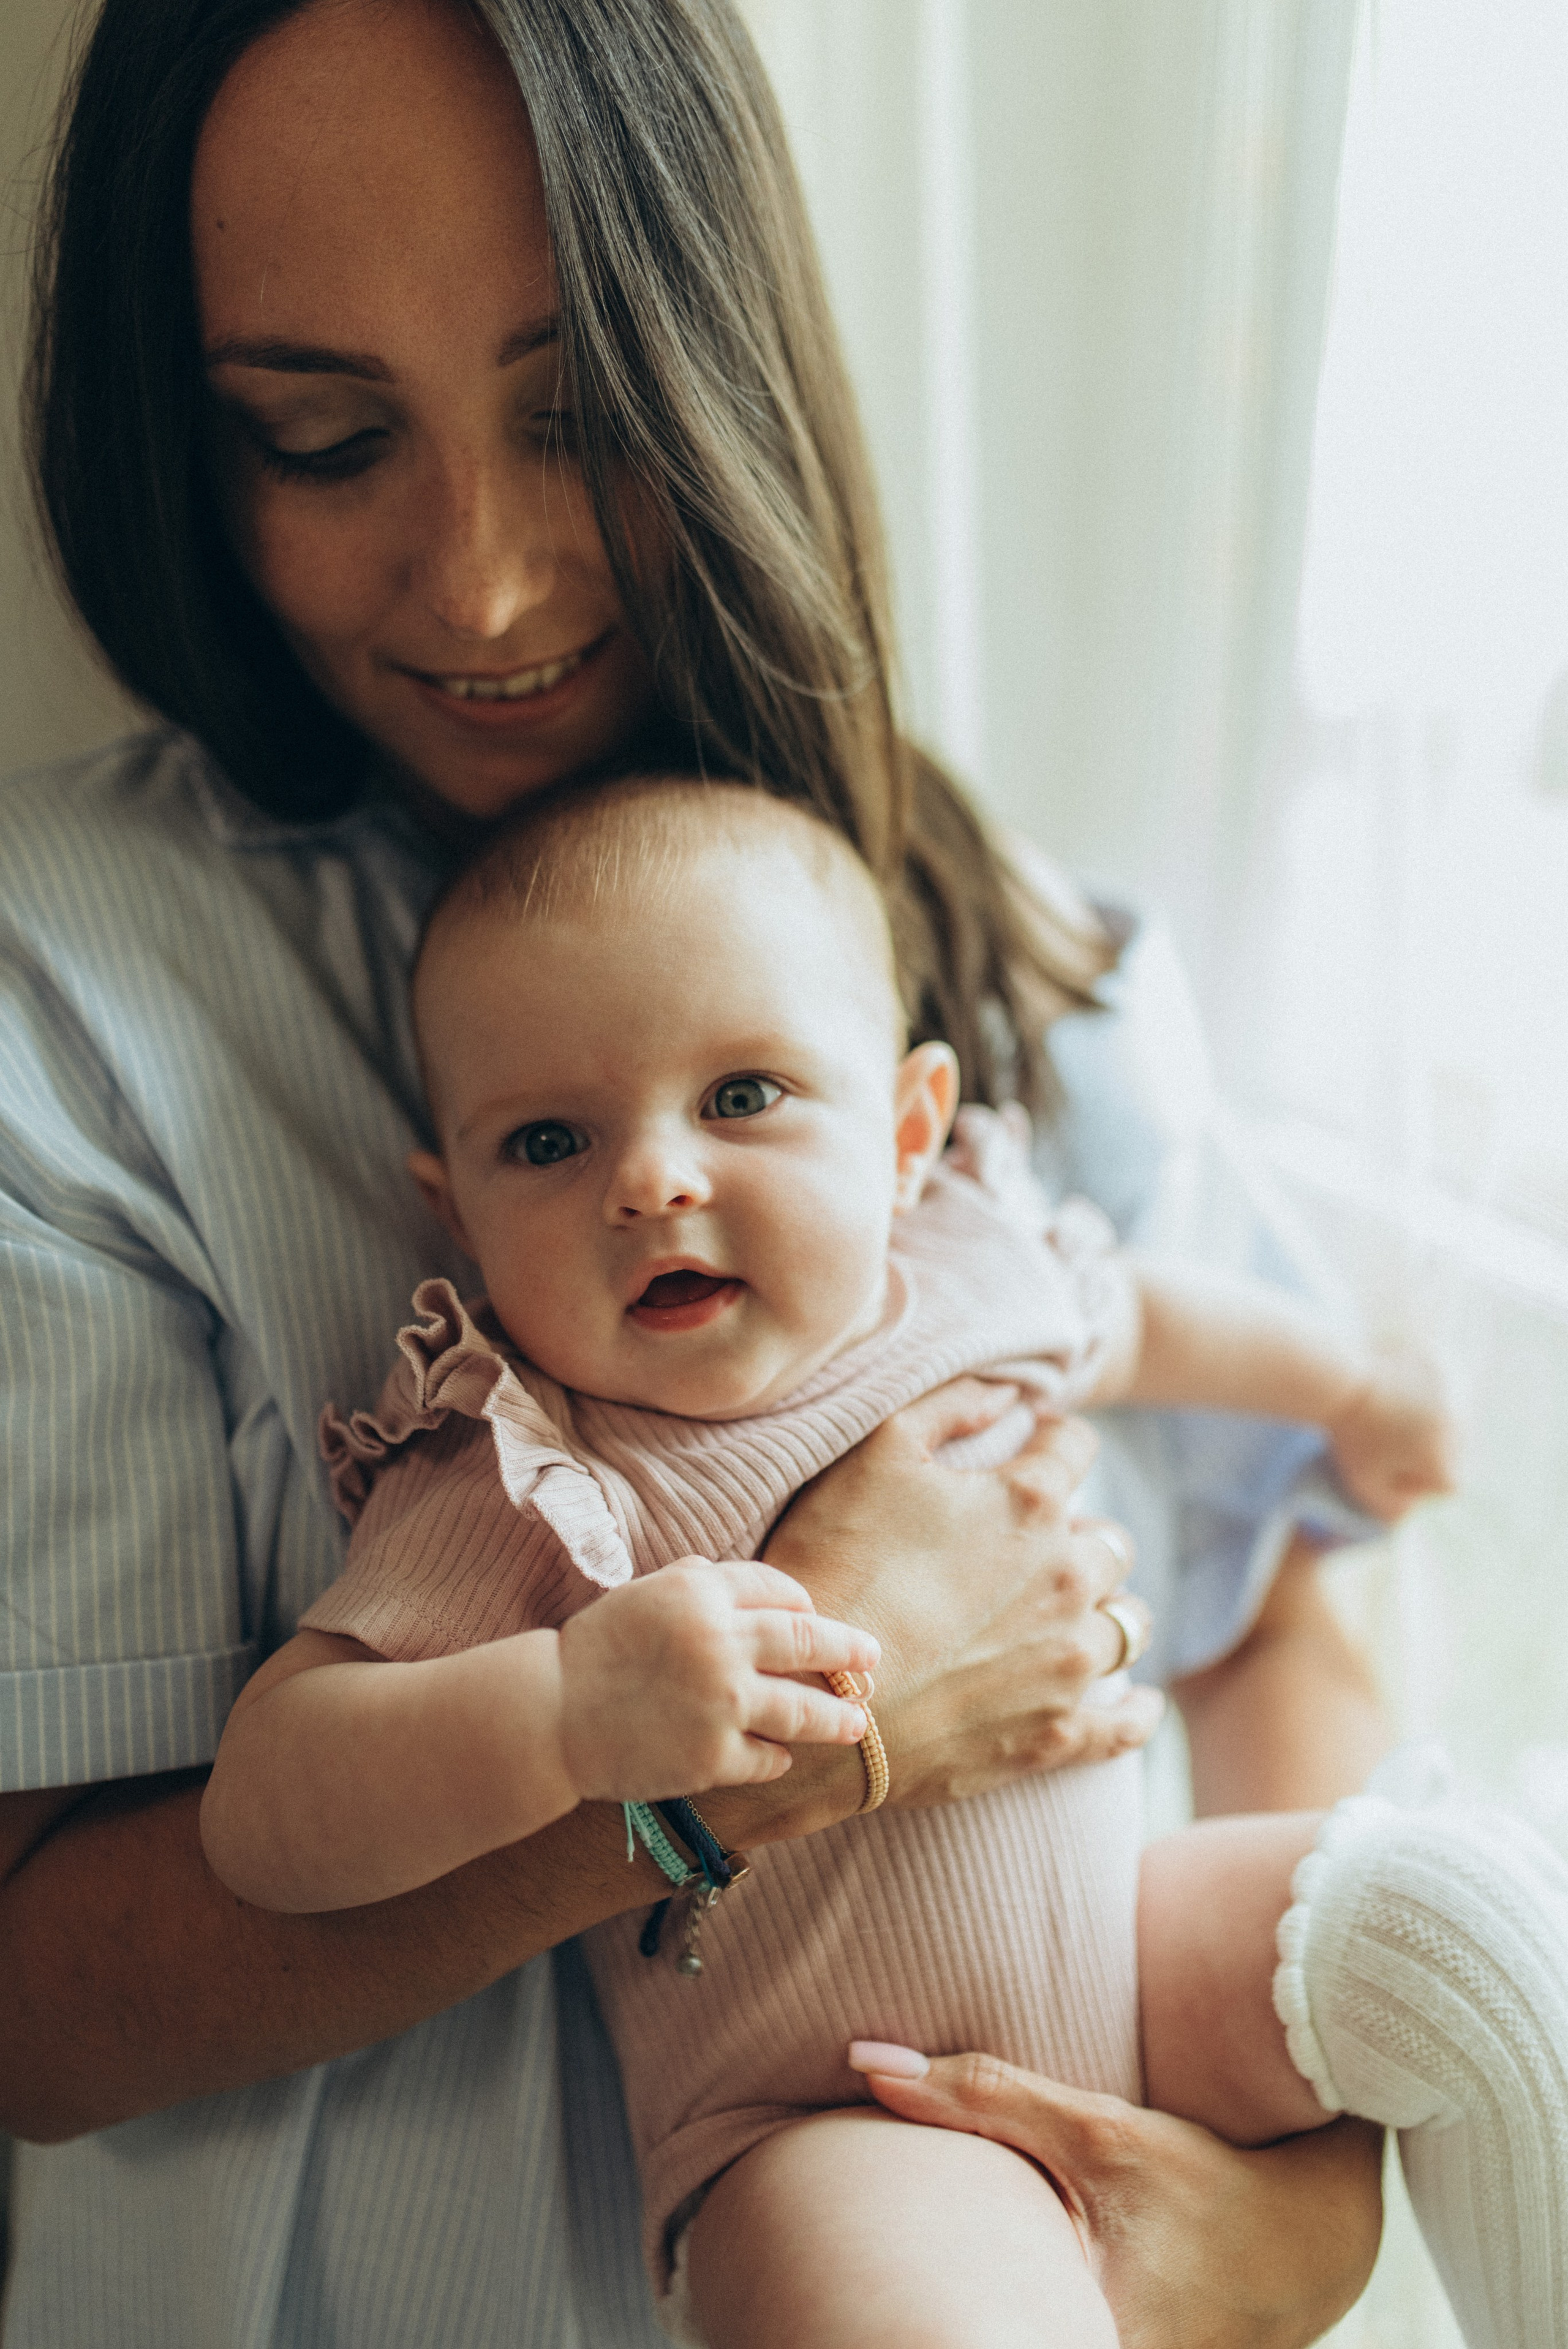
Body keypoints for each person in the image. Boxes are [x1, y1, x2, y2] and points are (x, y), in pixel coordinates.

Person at [0, 0, 1451, 2340]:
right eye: (323, 435)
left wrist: (1316, 2198)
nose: (477, 585)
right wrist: (746, 1753)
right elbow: (37, 2004)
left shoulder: (1012, 971)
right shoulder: (61, 1009)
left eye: (574, 414)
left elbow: (1270, 1594)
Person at [194, 772, 1480, 2349]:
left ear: (904, 1132)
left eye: (740, 1097)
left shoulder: (964, 1262)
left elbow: (1145, 1315)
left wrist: (1350, 1390)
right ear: (452, 1212)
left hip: (1139, 1953)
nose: (650, 1178)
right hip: (833, 2124)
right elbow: (265, 1810)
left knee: (1469, 1917)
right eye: (547, 1139)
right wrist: (558, 1712)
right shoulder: (529, 1467)